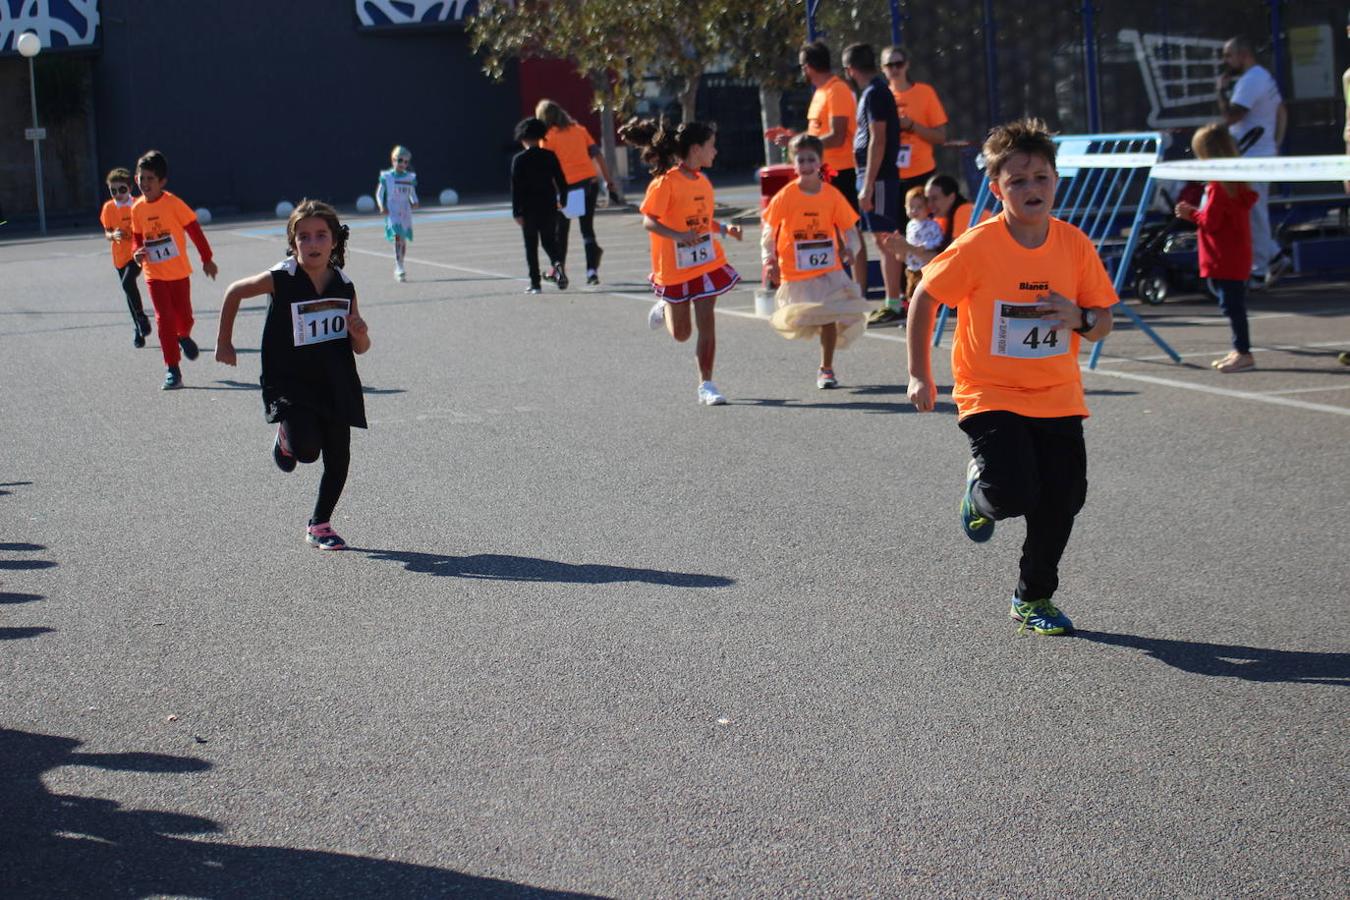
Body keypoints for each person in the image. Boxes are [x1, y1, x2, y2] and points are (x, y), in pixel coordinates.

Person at [906, 118, 1116, 636]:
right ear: (996, 188)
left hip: (1058, 393)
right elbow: (924, 298)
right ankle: (979, 493)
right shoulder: (977, 246)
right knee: (1015, 493)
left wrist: (1080, 319)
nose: (1031, 189)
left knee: (1064, 498)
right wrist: (919, 376)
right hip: (989, 390)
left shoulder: (1073, 245)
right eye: (1017, 181)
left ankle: (1032, 597)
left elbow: (1103, 319)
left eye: (1040, 178)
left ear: (1055, 182)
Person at [215, 200, 371, 551]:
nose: (312, 244)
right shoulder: (280, 279)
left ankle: (320, 525)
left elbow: (361, 347)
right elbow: (233, 292)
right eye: (303, 237)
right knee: (307, 451)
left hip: (334, 382)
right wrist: (225, 341)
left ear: (334, 241)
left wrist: (359, 332)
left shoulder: (344, 286)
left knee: (339, 456)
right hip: (290, 381)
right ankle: (286, 437)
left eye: (320, 236)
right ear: (293, 241)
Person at [619, 117, 743, 406]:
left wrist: (724, 229)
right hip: (674, 267)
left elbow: (703, 220)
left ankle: (707, 385)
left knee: (707, 324)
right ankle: (665, 306)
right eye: (711, 146)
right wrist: (677, 235)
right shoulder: (665, 183)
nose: (715, 152)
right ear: (696, 149)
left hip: (706, 263)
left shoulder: (703, 181)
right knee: (683, 334)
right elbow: (649, 222)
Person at [760, 134, 870, 390]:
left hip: (828, 268)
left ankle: (826, 368)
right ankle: (825, 355)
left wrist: (850, 250)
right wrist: (769, 260)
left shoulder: (831, 195)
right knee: (812, 318)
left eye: (811, 159)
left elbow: (849, 228)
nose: (807, 164)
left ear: (820, 162)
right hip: (796, 271)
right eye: (801, 160)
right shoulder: (786, 196)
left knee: (829, 316)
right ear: (793, 163)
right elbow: (769, 229)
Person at [871, 44, 948, 326]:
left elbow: (940, 135)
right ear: (882, 69)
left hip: (921, 176)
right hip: (891, 177)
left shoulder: (924, 93)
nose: (895, 69)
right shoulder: (879, 96)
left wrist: (912, 125)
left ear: (907, 64)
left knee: (927, 236)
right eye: (889, 65)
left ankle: (934, 294)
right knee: (892, 239)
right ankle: (897, 300)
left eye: (899, 63)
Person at [129, 149, 218, 390]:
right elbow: (137, 238)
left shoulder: (173, 204)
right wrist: (137, 252)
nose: (144, 183)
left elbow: (194, 230)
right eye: (141, 177)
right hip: (154, 274)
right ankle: (172, 368)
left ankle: (183, 335)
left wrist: (207, 259)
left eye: (150, 178)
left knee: (185, 317)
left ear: (162, 182)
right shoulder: (136, 208)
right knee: (163, 320)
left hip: (178, 273)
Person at [1175, 124, 1258, 373]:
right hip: (1235, 253)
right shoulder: (1236, 185)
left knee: (1232, 306)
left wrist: (1190, 214)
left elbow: (1211, 222)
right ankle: (1239, 348)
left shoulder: (1218, 188)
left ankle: (1243, 352)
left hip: (1224, 255)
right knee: (1233, 304)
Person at [790, 40, 867, 293]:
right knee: (826, 231)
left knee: (849, 230)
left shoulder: (837, 90)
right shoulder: (820, 92)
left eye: (803, 65)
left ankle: (859, 289)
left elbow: (837, 134)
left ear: (809, 66)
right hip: (822, 172)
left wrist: (804, 146)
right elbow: (818, 132)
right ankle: (836, 286)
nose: (802, 70)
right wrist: (796, 139)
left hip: (840, 171)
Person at [1218, 36, 1288, 287]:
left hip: (1252, 158)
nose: (1226, 61)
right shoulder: (1263, 76)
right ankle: (1273, 256)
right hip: (1260, 153)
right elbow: (1281, 112)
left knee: (1254, 213)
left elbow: (1232, 116)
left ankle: (1260, 268)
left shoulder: (1250, 80)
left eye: (1229, 56)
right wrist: (1275, 143)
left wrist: (1220, 91)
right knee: (1253, 212)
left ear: (1243, 54)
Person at [842, 43, 904, 325]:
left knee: (886, 239)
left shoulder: (876, 93)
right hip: (871, 175)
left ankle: (894, 302)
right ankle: (893, 300)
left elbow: (878, 139)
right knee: (881, 239)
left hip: (878, 177)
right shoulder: (870, 93)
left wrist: (867, 185)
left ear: (851, 69)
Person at [537, 100, 619, 286]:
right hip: (589, 184)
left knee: (561, 232)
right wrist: (609, 182)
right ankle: (592, 272)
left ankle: (560, 272)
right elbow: (598, 155)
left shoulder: (548, 138)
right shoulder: (579, 130)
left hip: (567, 189)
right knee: (587, 229)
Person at [510, 117, 569, 294]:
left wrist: (516, 212)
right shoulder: (549, 156)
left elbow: (516, 188)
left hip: (528, 208)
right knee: (549, 241)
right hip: (548, 204)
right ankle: (557, 262)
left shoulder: (519, 160)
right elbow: (562, 181)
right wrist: (562, 200)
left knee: (531, 245)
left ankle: (535, 283)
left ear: (523, 138)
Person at [99, 167, 152, 348]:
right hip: (119, 256)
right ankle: (138, 327)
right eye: (113, 191)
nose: (117, 194)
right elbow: (107, 232)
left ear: (130, 188)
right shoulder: (108, 208)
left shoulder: (138, 205)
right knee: (128, 291)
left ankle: (141, 317)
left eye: (121, 190)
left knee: (127, 282)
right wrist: (113, 235)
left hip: (136, 253)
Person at [376, 145, 418, 282]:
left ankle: (401, 264)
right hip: (392, 209)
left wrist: (415, 201)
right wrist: (381, 205)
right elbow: (379, 193)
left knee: (403, 239)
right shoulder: (387, 176)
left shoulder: (409, 178)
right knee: (397, 236)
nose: (403, 164)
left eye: (406, 162)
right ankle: (399, 266)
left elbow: (412, 193)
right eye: (400, 160)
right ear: (393, 159)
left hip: (405, 210)